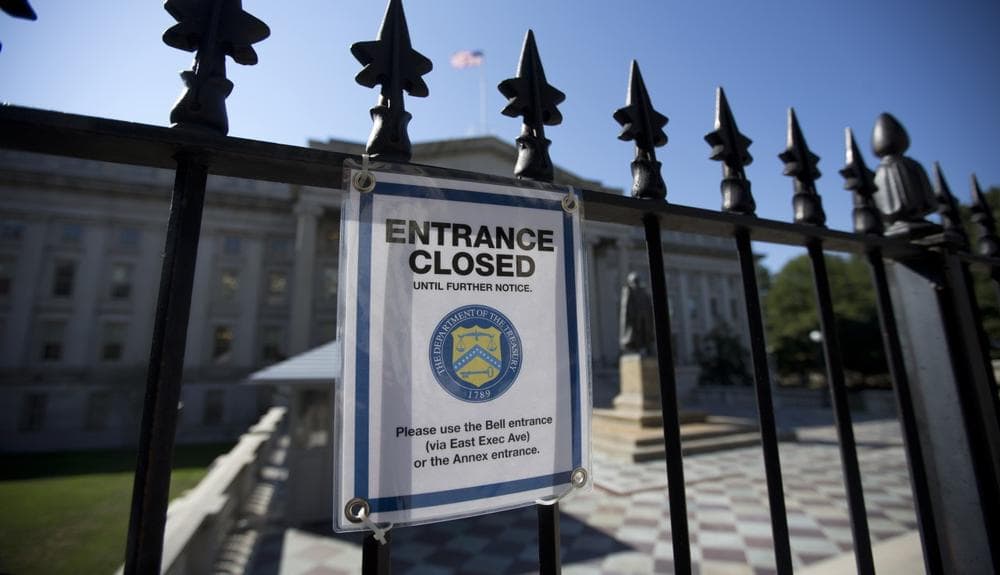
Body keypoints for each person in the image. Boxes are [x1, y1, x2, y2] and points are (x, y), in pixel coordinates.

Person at [619, 271, 655, 355]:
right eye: (634, 281)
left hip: (644, 320)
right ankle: (635, 350)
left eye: (637, 281)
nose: (635, 283)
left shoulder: (644, 292)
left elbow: (649, 307)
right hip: (634, 320)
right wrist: (630, 317)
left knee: (645, 337)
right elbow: (626, 307)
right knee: (634, 337)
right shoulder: (628, 291)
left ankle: (644, 350)